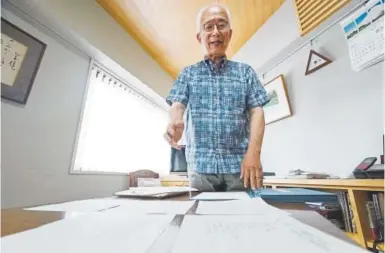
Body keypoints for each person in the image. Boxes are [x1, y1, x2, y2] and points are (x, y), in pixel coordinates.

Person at [164, 4, 270, 192]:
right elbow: (177, 104)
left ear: (229, 33)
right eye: (208, 27)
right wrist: (176, 121)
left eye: (221, 25)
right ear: (199, 37)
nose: (215, 32)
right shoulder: (188, 73)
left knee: (246, 218)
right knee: (201, 218)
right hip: (200, 167)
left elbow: (257, 110)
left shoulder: (245, 72)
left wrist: (254, 153)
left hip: (240, 167)